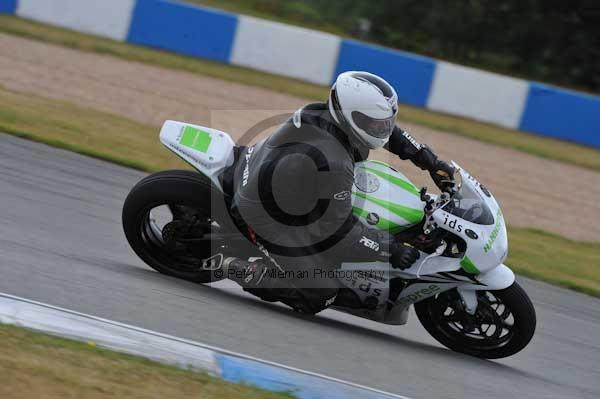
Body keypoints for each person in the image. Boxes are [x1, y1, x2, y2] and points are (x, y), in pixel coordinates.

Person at [222, 71, 456, 314]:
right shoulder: (335, 160)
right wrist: (391, 249)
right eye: (374, 123)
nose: (381, 128)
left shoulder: (328, 114)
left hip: (275, 178)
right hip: (264, 214)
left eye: (383, 122)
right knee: (320, 293)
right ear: (349, 116)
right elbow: (338, 228)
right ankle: (233, 268)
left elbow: (389, 133)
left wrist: (430, 161)